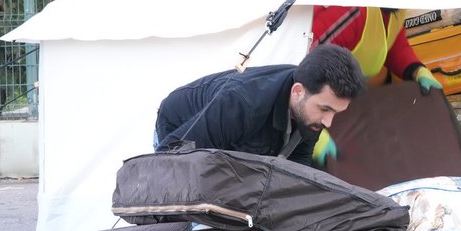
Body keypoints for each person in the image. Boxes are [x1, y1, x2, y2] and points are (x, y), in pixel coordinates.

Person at [153, 43, 365, 167]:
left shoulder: (312, 112)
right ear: (297, 91)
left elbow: (298, 168)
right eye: (325, 109)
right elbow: (166, 161)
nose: (328, 121)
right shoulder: (242, 104)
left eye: (336, 112)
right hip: (179, 129)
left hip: (232, 143)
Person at [311, 6, 443, 93]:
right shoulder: (349, 10)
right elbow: (304, 67)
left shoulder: (396, 8)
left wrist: (418, 71)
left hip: (350, 95)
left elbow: (393, 43)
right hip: (316, 100)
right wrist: (315, 129)